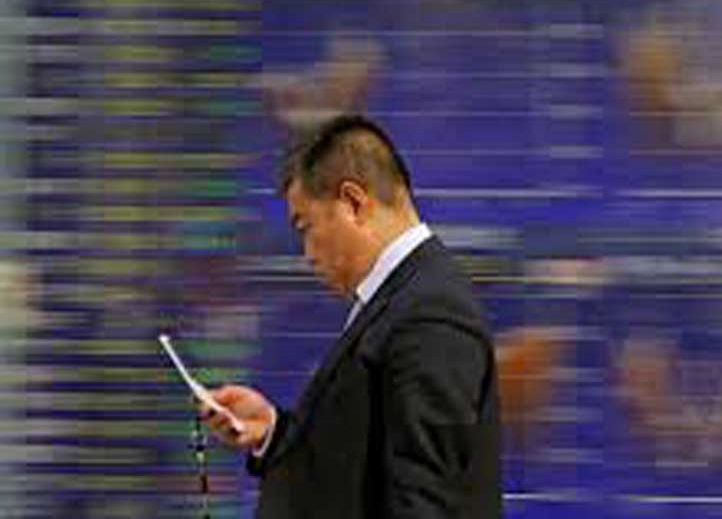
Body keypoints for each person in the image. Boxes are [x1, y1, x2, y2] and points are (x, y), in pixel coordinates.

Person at [201, 115, 502, 518]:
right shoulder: (400, 301)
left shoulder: (430, 314)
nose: (307, 254)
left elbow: (422, 497)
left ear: (354, 203)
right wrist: (274, 432)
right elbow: (363, 464)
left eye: (305, 227)